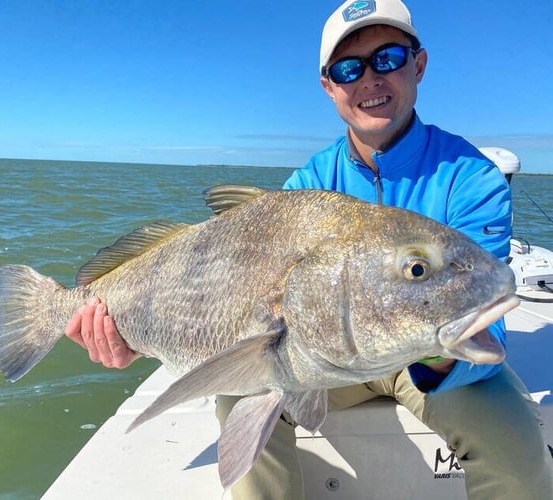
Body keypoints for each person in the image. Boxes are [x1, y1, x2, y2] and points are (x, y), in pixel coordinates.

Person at [65, 1, 553, 498]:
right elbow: (233, 303)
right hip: (317, 358)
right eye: (348, 68)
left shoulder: (472, 178)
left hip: (425, 362)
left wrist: (443, 348)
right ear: (329, 86)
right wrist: (134, 333)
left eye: (387, 57)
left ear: (418, 64)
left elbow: (482, 315)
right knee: (241, 396)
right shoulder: (307, 186)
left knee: (516, 450)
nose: (369, 79)